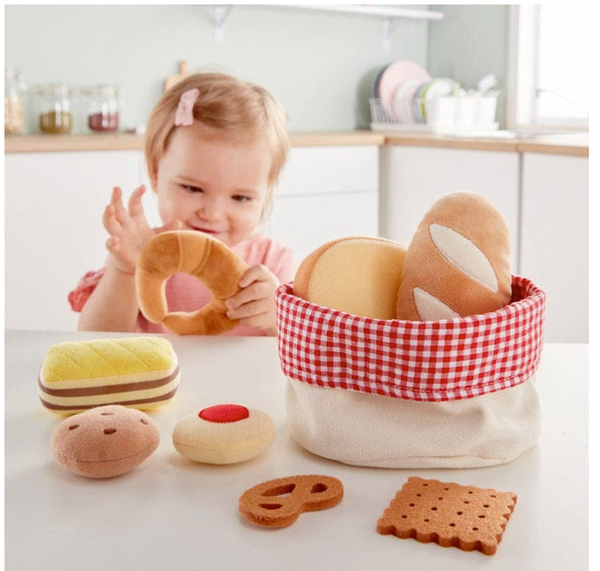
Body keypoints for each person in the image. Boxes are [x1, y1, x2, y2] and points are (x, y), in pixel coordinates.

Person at [69, 73, 296, 337]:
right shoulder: (140, 251)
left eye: (240, 198)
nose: (212, 214)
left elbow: (304, 354)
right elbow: (94, 338)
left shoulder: (274, 264)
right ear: (156, 174)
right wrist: (126, 271)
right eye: (193, 189)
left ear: (265, 193)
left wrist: (276, 318)